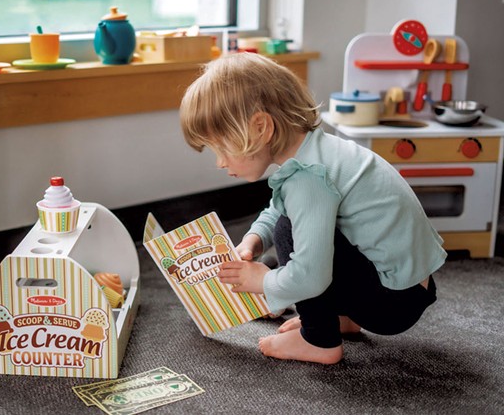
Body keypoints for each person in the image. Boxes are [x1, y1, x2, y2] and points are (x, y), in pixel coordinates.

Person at [179, 53, 446, 365]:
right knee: (294, 225)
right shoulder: (317, 153)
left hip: (391, 304)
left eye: (222, 148)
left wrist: (263, 281)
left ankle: (319, 339)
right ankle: (342, 317)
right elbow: (282, 206)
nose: (220, 162)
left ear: (261, 126)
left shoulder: (307, 179)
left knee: (289, 231)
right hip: (408, 287)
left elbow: (310, 274)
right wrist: (255, 238)